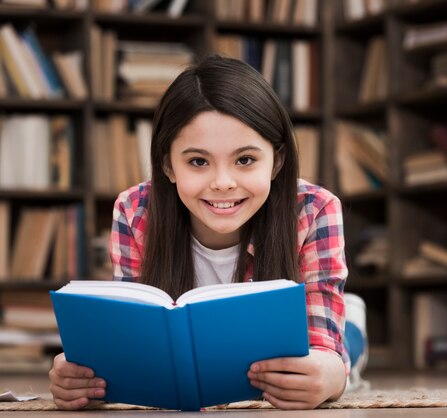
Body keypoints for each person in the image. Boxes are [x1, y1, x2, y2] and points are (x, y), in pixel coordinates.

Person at [49, 54, 351, 410]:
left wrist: (330, 374)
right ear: (167, 165)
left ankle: (355, 321)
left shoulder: (314, 209)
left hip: (315, 335)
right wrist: (83, 379)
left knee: (351, 347)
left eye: (245, 160)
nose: (222, 183)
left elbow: (325, 347)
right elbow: (130, 343)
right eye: (197, 161)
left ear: (278, 160)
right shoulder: (135, 211)